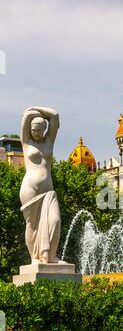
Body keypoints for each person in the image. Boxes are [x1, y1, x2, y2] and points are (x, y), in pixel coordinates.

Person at [20, 106, 63, 264]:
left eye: (39, 130)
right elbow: (26, 115)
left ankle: (51, 256)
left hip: (48, 190)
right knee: (32, 225)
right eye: (33, 130)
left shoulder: (49, 141)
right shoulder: (26, 143)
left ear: (44, 129)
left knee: (55, 221)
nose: (36, 133)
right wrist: (31, 112)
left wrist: (35, 109)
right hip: (30, 188)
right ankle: (34, 258)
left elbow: (55, 115)